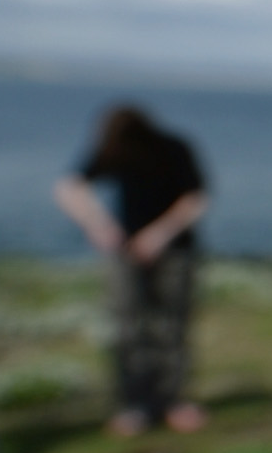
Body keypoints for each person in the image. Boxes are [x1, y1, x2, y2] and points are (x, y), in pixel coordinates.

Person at [52, 104, 211, 436]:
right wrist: (99, 226)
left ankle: (172, 401)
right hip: (125, 251)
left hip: (175, 250)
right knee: (128, 326)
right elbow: (68, 187)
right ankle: (134, 404)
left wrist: (158, 235)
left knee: (171, 326)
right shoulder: (115, 150)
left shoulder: (173, 147)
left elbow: (195, 197)